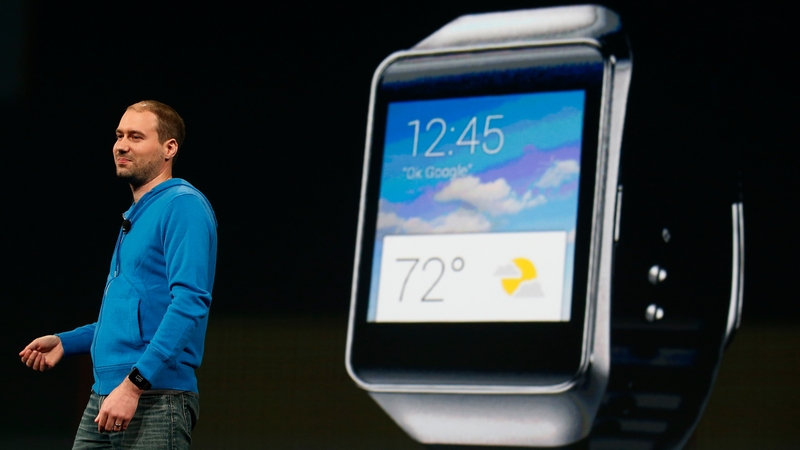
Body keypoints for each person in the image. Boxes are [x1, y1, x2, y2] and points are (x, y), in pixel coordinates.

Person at [19, 100, 217, 449]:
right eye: (119, 134)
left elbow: (190, 303)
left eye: (136, 136)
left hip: (152, 396)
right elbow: (135, 316)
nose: (121, 145)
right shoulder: (139, 213)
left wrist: (134, 385)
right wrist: (68, 341)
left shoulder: (182, 205)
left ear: (169, 148)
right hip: (106, 396)